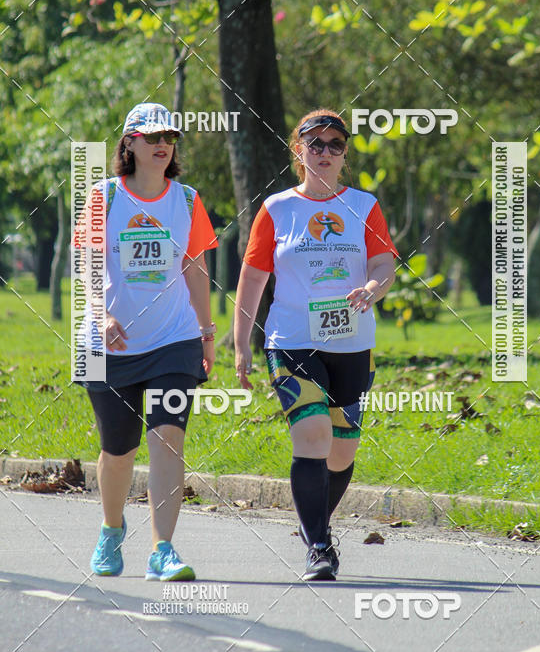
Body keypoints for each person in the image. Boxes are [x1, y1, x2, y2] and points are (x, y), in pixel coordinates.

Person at [234, 110, 397, 581]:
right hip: (291, 341)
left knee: (342, 452)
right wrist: (243, 342)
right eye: (316, 143)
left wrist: (373, 287)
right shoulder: (276, 209)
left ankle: (313, 522)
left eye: (335, 144)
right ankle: (320, 549)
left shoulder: (364, 206)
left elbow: (384, 264)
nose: (325, 152)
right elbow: (253, 276)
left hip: (351, 343)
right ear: (298, 149)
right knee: (313, 438)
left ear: (345, 154)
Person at [75, 103, 218, 581]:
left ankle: (163, 549)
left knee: (167, 440)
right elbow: (86, 270)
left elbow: (195, 268)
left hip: (172, 341)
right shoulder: (103, 198)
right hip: (106, 344)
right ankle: (111, 530)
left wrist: (206, 331)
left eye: (170, 137)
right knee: (118, 450)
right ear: (129, 143)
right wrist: (103, 315)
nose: (163, 143)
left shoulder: (189, 201)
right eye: (152, 135)